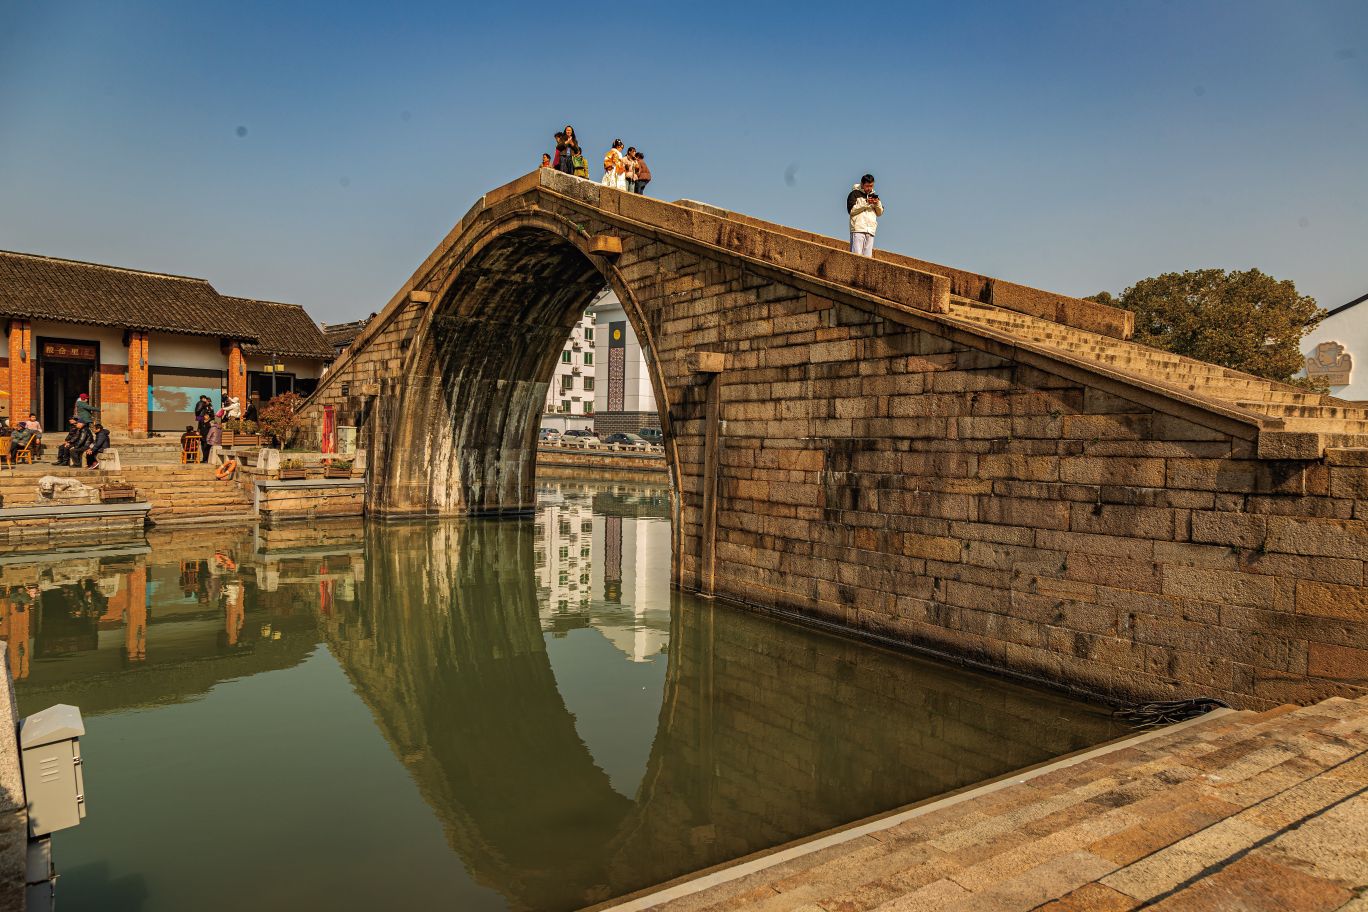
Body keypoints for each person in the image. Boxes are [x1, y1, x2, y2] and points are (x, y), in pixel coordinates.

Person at [847, 174, 884, 257]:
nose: (869, 188)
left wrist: (877, 203)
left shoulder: (874, 196)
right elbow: (851, 210)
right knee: (856, 256)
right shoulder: (854, 194)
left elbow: (880, 213)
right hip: (858, 229)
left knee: (868, 258)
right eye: (867, 186)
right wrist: (866, 203)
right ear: (862, 184)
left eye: (871, 186)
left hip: (870, 230)